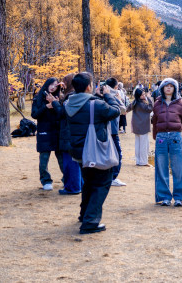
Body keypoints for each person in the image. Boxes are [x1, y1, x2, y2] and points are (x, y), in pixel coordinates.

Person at [65, 72, 121, 234]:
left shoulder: (69, 103)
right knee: (102, 183)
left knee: (89, 182)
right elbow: (116, 111)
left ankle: (84, 215)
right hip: (95, 151)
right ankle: (90, 221)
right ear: (89, 86)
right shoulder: (95, 104)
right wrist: (109, 96)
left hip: (79, 151)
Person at [150, 78, 182, 206]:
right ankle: (164, 197)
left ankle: (179, 197)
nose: (169, 88)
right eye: (166, 86)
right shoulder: (157, 103)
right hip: (161, 138)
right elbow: (155, 121)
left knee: (179, 167)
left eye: (171, 86)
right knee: (161, 167)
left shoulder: (181, 103)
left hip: (175, 137)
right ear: (162, 88)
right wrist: (155, 136)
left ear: (175, 88)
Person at [31, 78, 67, 192]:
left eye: (56, 86)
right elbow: (34, 114)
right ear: (46, 84)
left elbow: (62, 114)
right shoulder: (38, 98)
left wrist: (56, 104)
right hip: (44, 131)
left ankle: (67, 179)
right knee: (44, 159)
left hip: (57, 131)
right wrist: (46, 107)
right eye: (51, 84)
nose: (52, 87)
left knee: (62, 158)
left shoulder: (60, 98)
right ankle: (46, 180)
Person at [102, 78, 127, 187]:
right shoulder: (113, 95)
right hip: (112, 130)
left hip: (103, 130)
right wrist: (120, 99)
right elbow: (123, 110)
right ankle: (113, 177)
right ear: (116, 86)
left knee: (106, 154)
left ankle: (107, 177)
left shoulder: (101, 94)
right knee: (117, 154)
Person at [127, 88, 154, 166]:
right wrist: (148, 98)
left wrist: (125, 111)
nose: (144, 95)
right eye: (142, 94)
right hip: (143, 126)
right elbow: (150, 108)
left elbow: (128, 107)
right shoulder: (141, 104)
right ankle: (143, 161)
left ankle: (138, 161)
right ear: (139, 96)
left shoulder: (135, 102)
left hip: (137, 125)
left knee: (138, 144)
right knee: (144, 144)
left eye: (144, 93)